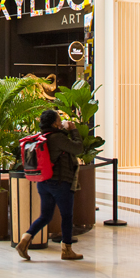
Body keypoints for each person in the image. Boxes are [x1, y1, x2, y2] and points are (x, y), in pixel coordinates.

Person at [16, 109, 84, 261]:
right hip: (60, 183)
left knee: (45, 216)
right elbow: (78, 148)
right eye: (59, 120)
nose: (61, 122)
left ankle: (25, 239)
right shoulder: (58, 137)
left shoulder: (42, 136)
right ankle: (67, 250)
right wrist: (73, 130)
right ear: (54, 123)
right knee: (66, 215)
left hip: (43, 182)